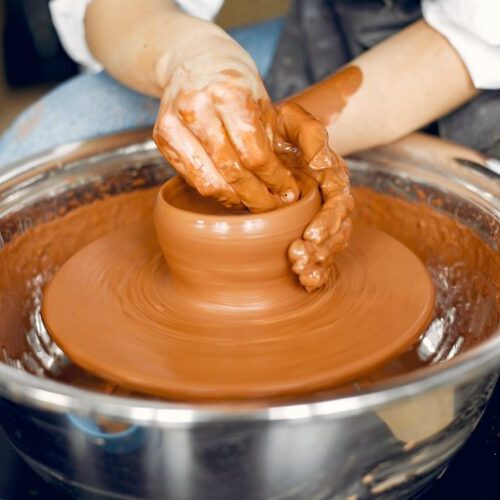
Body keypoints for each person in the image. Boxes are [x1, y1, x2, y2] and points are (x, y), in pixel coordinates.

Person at [0, 0, 499, 286]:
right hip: (336, 34)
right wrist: (193, 54)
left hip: (469, 63)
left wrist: (290, 140)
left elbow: (475, 38)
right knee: (51, 134)